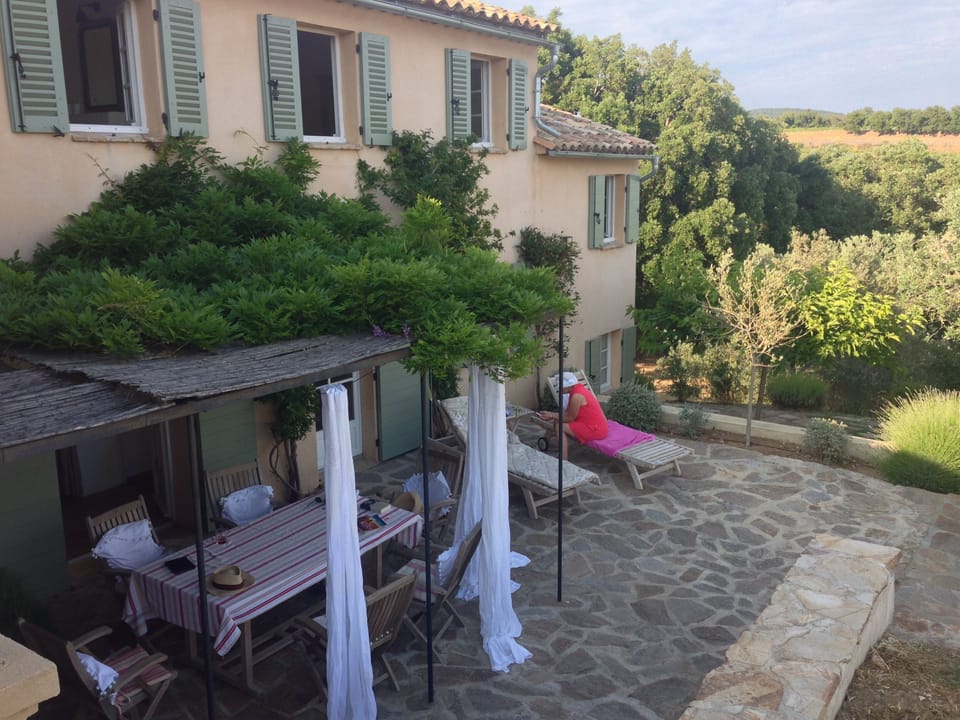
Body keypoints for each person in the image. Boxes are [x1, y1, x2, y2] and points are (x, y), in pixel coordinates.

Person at [538, 372, 608, 459]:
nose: (559, 389)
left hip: (594, 429)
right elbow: (569, 414)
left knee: (560, 426)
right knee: (557, 420)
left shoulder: (576, 396)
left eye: (561, 387)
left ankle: (563, 460)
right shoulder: (579, 389)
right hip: (599, 425)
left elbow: (570, 417)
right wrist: (553, 415)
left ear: (568, 387)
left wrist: (552, 415)